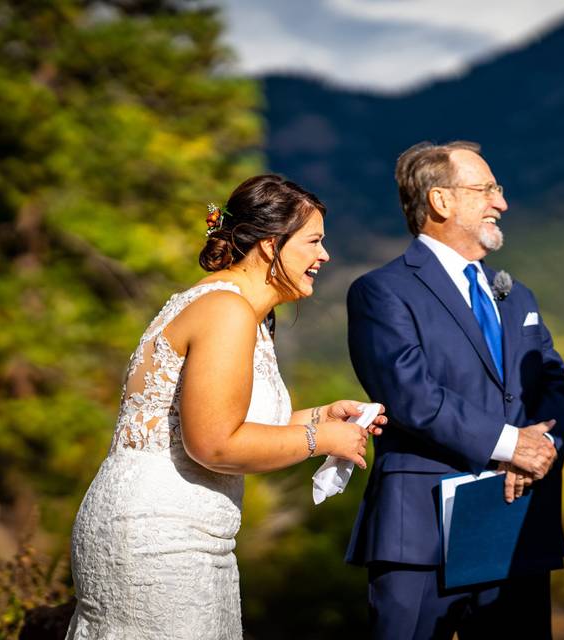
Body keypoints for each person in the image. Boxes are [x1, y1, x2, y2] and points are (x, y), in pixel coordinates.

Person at [65, 174, 386, 639]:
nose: (325, 256)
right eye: (314, 241)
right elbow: (214, 443)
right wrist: (319, 440)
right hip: (160, 537)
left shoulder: (239, 312)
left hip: (184, 532)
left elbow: (225, 419)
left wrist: (319, 417)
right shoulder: (226, 310)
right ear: (271, 245)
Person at [345, 141, 564, 639]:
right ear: (441, 201)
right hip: (419, 529)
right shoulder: (381, 291)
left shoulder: (519, 297)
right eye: (487, 189)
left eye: (499, 189)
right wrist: (514, 445)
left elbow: (556, 382)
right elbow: (411, 394)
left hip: (515, 519)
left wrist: (543, 449)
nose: (502, 202)